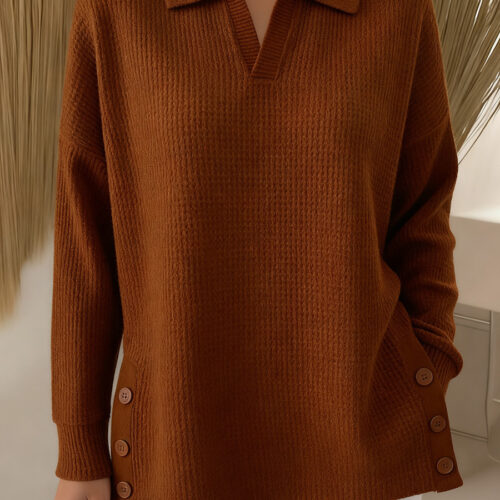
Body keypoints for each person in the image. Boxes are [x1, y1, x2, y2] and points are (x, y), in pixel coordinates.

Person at [51, 0, 463, 498]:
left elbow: (424, 213)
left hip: (354, 449)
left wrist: (427, 361)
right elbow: (84, 243)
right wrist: (79, 448)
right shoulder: (115, 12)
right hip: (178, 443)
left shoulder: (399, 13)